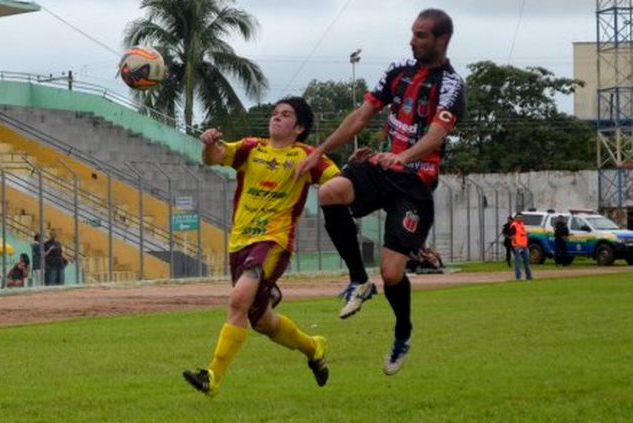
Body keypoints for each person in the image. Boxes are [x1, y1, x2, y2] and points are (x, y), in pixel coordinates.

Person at [296, 8, 466, 375]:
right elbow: (361, 116)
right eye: (413, 32)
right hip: (382, 167)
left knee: (392, 274)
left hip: (414, 184)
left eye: (421, 35)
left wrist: (402, 157)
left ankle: (402, 331)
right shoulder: (398, 69)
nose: (413, 39)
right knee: (329, 191)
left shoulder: (451, 86)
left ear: (442, 40)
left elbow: (436, 135)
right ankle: (359, 280)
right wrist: (319, 153)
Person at [182, 96, 339, 398]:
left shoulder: (307, 157)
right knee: (263, 322)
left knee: (238, 300)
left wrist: (358, 171)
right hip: (240, 240)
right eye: (275, 113)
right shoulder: (251, 148)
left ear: (300, 127)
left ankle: (212, 376)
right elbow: (212, 157)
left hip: (273, 241)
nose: (276, 118)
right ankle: (313, 347)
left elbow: (339, 180)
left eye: (286, 114)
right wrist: (208, 142)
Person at [510, 213, 533, 280]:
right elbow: (513, 236)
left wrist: (526, 234)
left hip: (524, 245)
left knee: (527, 261)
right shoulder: (514, 225)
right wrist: (516, 245)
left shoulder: (522, 224)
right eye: (518, 217)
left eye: (521, 217)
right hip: (518, 246)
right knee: (518, 261)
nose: (520, 219)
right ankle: (518, 277)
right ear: (515, 218)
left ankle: (529, 276)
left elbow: (522, 233)